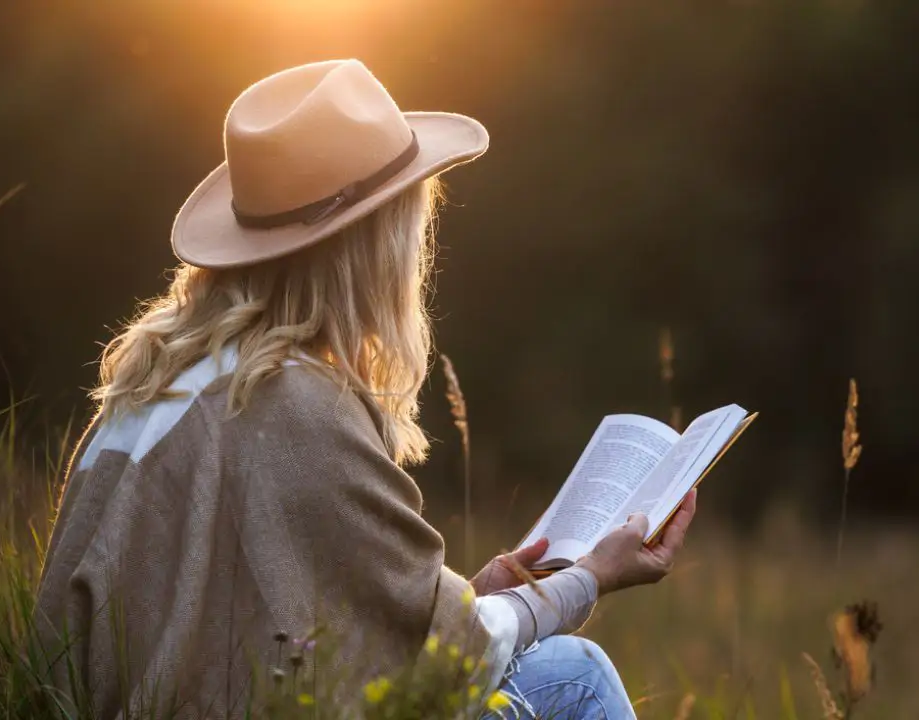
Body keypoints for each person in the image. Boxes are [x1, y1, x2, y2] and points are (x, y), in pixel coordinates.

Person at [34, 59, 697, 720]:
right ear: (377, 245)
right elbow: (446, 662)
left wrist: (467, 594)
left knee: (566, 670)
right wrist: (590, 579)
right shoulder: (291, 404)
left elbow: (282, 629)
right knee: (578, 685)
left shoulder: (150, 391)